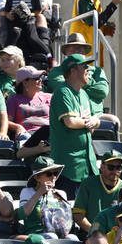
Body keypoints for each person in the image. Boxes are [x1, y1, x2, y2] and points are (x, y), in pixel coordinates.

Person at [49, 53, 100, 197]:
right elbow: (70, 122)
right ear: (72, 71)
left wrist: (95, 121)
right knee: (69, 211)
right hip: (68, 166)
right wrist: (89, 122)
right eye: (84, 66)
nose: (88, 69)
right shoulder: (62, 92)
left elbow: (89, 129)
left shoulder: (84, 94)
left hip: (87, 164)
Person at [74, 149, 122, 233]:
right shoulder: (88, 183)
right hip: (92, 232)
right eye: (111, 167)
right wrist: (94, 232)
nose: (115, 171)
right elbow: (78, 214)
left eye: (119, 167)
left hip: (117, 234)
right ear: (102, 167)